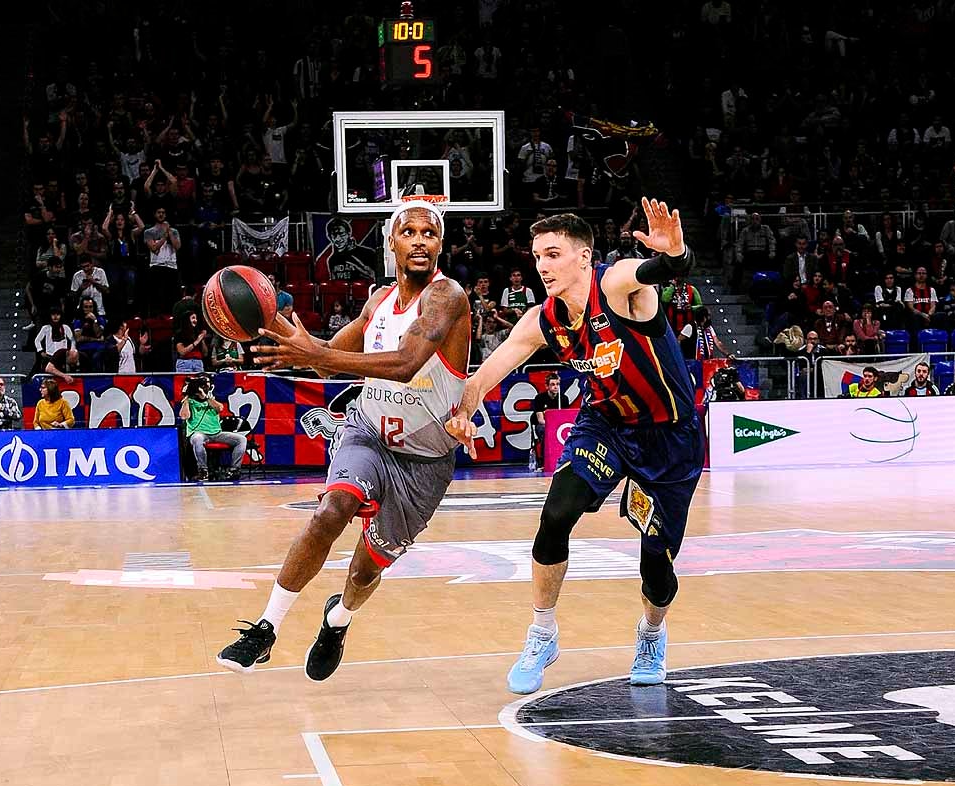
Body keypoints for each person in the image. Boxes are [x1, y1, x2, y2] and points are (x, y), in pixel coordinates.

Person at [446, 199, 705, 694]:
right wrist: (463, 409)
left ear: (584, 257)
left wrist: (675, 254)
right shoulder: (543, 319)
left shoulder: (615, 287)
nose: (542, 266)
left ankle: (651, 631)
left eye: (553, 254)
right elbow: (485, 375)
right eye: (537, 256)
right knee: (557, 512)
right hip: (604, 425)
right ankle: (543, 632)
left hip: (669, 436)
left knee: (657, 563)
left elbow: (657, 268)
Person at [215, 199, 471, 683]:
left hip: (424, 462)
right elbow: (326, 359)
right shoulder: (377, 302)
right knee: (330, 511)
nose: (420, 240)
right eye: (409, 232)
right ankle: (265, 629)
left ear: (440, 245)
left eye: (430, 233)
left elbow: (405, 363)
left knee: (363, 573)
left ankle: (338, 618)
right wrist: (292, 340)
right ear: (391, 243)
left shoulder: (448, 297)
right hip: (368, 431)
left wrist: (318, 355)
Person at [178, 374, 245, 481]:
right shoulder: (190, 401)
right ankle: (203, 471)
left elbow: (220, 408)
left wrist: (205, 397)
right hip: (199, 433)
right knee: (197, 439)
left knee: (241, 439)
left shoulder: (211, 399)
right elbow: (184, 416)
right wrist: (186, 398)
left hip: (217, 433)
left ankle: (234, 470)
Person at [529, 372, 568, 469]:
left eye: (557, 384)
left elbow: (566, 417)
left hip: (560, 426)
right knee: (544, 431)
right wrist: (553, 427)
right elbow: (540, 420)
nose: (555, 387)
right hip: (544, 425)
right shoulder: (539, 398)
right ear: (547, 386)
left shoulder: (563, 399)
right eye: (553, 384)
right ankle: (544, 461)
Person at [34, 310, 78, 383]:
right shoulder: (46, 328)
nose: (55, 317)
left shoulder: (65, 327)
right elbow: (37, 340)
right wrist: (40, 351)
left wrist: (72, 351)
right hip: (49, 357)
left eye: (57, 314)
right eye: (53, 314)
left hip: (63, 357)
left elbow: (72, 340)